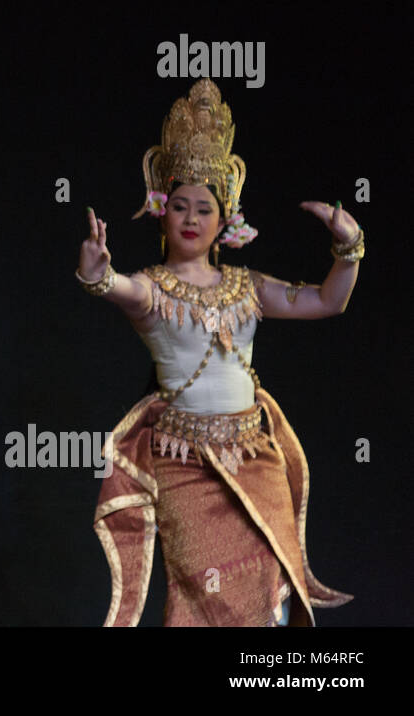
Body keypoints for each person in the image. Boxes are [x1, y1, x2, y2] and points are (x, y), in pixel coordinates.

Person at [80, 79, 359, 626]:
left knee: (269, 590)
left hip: (258, 459)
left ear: (224, 219)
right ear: (161, 212)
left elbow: (329, 301)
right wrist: (97, 275)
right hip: (183, 467)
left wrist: (348, 248)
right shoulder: (153, 289)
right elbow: (119, 288)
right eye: (179, 206)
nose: (190, 218)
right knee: (205, 596)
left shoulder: (248, 287)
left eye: (203, 208)